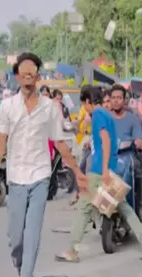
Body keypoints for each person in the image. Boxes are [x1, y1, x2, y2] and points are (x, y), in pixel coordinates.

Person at [0, 53, 85, 277]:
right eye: (24, 71)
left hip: (40, 176)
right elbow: (1, 145)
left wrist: (77, 172)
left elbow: (59, 142)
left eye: (33, 71)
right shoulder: (7, 106)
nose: (28, 75)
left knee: (32, 234)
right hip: (16, 178)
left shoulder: (50, 107)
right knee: (16, 237)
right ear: (17, 77)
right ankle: (20, 265)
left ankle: (26, 274)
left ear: (38, 77)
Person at [56, 85, 142, 262]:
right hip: (113, 168)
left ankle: (73, 251)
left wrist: (104, 170)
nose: (84, 108)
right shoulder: (107, 115)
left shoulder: (98, 115)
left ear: (88, 101)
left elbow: (106, 140)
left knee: (85, 209)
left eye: (84, 104)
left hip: (99, 171)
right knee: (124, 208)